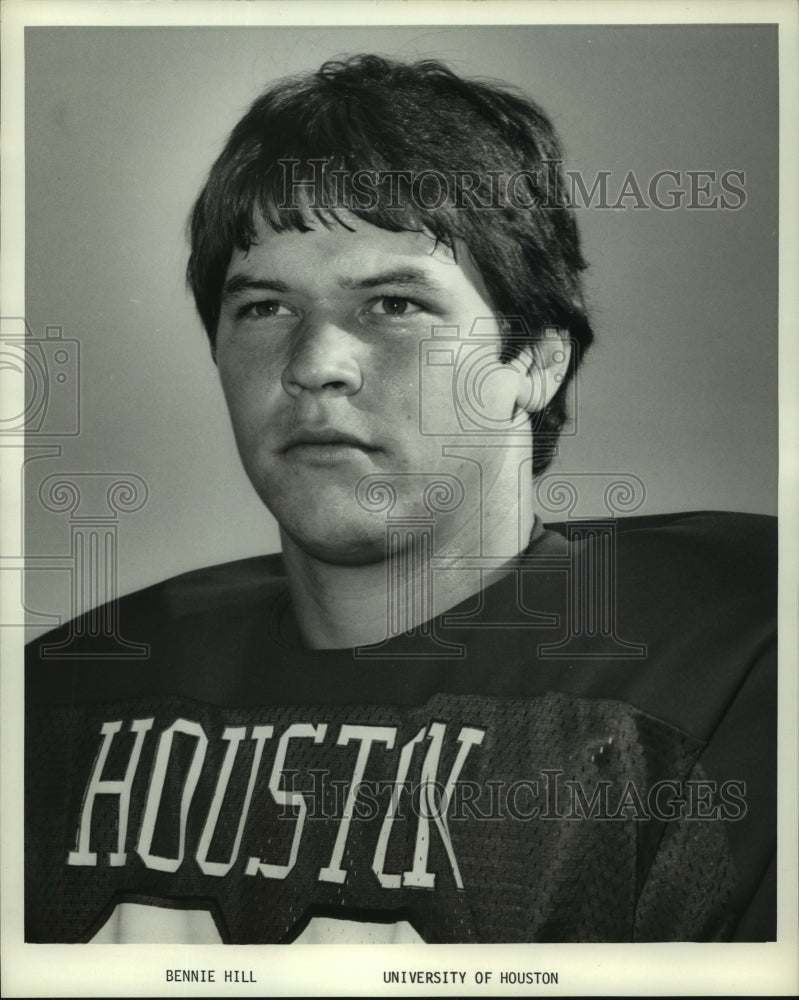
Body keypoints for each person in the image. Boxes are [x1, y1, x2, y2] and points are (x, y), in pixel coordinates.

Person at [25, 55, 776, 944]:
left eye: (392, 302)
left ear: (534, 358)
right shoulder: (62, 697)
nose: (313, 365)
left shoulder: (730, 665)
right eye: (264, 307)